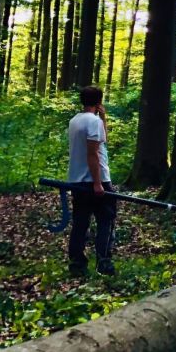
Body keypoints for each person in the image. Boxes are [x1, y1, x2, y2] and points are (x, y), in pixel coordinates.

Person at [67, 85, 115, 276]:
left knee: (80, 221)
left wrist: (102, 118)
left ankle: (77, 263)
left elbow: (103, 141)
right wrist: (97, 183)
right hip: (96, 179)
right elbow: (93, 153)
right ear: (99, 102)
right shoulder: (92, 121)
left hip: (77, 180)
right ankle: (104, 262)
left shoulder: (75, 120)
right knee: (106, 219)